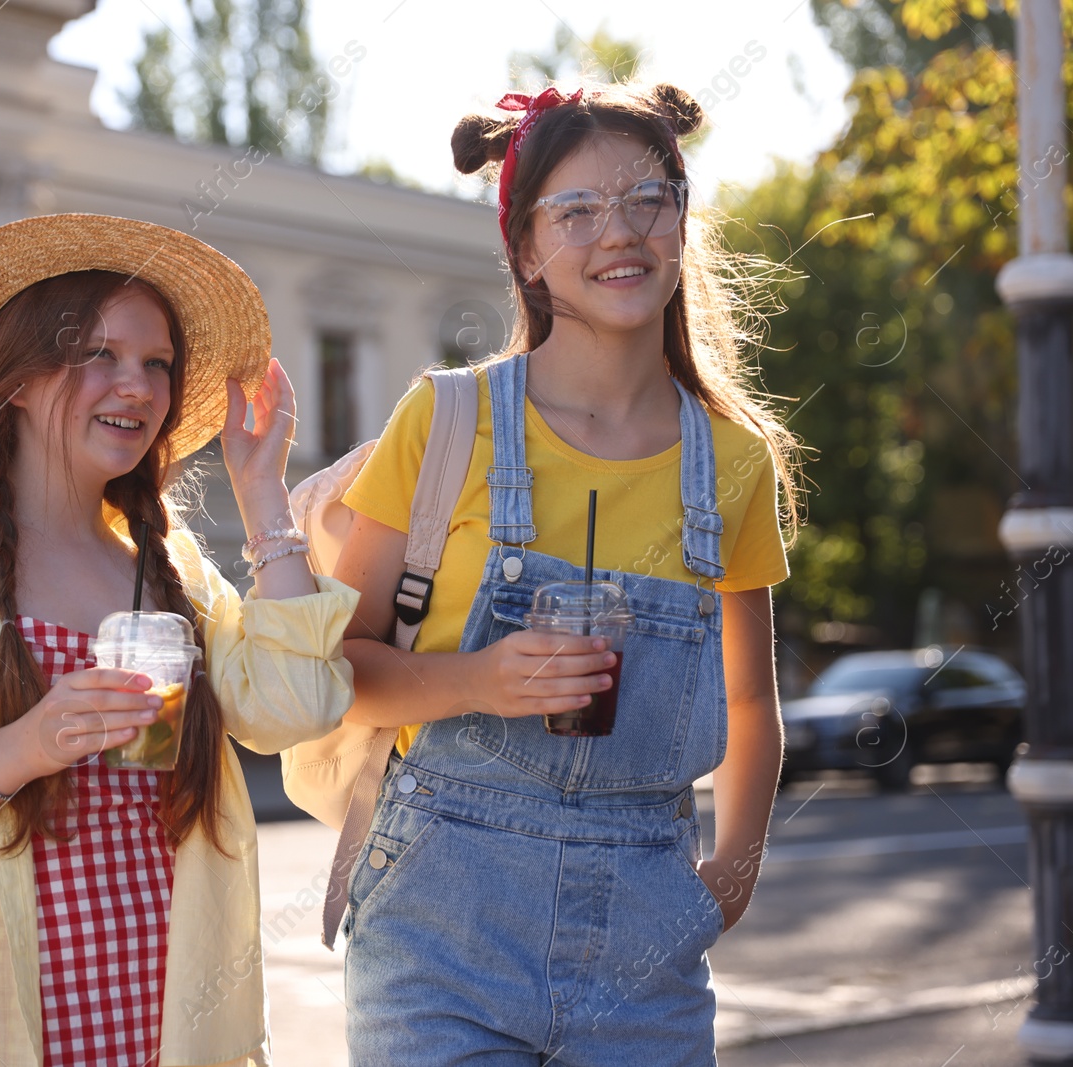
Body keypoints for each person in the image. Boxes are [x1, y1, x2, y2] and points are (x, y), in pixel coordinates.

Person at [0, 214, 358, 1067]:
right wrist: (22, 747)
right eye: (102, 354)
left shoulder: (170, 564)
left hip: (176, 1027)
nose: (140, 386)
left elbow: (294, 706)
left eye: (157, 363)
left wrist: (264, 491)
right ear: (16, 378)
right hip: (4, 1028)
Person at [332, 80, 803, 1065]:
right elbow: (335, 668)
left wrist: (733, 868)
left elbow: (751, 705)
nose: (616, 232)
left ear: (681, 220)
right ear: (526, 250)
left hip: (646, 940)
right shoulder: (444, 420)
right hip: (434, 937)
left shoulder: (733, 462)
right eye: (576, 210)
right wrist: (476, 679)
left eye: (646, 199)